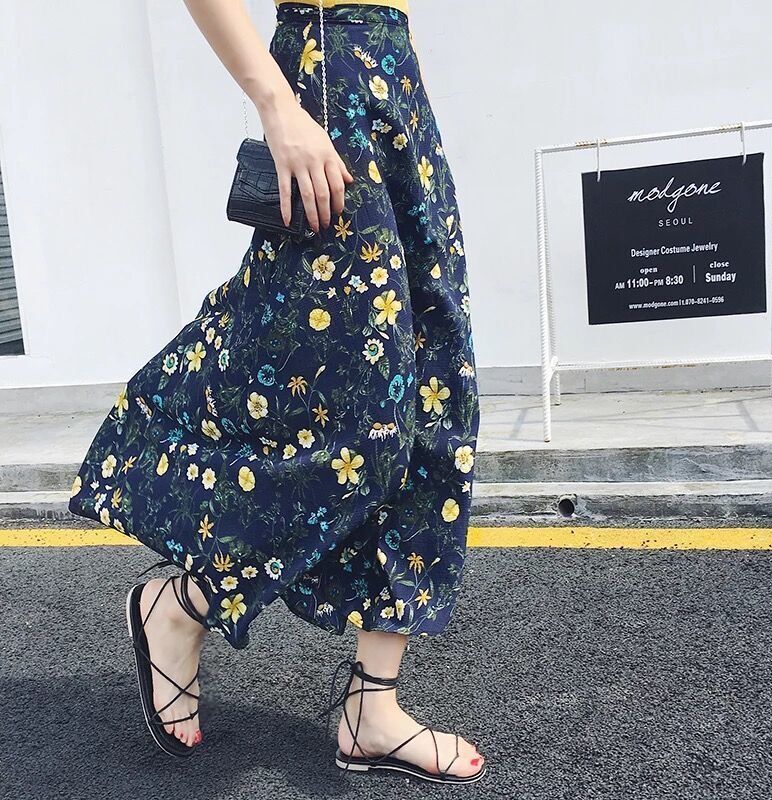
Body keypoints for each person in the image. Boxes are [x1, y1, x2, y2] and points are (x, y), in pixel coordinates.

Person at [68, 0, 484, 784]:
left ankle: (373, 708)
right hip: (327, 85)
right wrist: (279, 105)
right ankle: (185, 604)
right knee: (359, 413)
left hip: (399, 92)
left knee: (436, 397)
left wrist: (408, 89)